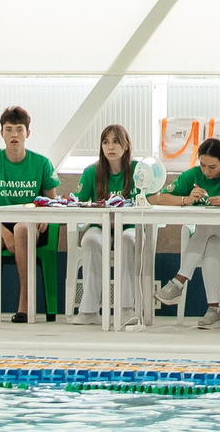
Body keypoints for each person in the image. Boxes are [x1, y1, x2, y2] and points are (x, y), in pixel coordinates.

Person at [149, 136, 220, 330]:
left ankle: (178, 282)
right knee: (211, 243)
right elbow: (156, 198)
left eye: (212, 167)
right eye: (203, 165)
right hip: (213, 240)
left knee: (209, 224)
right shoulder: (193, 175)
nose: (206, 171)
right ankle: (213, 311)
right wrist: (186, 199)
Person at [0, 105, 60, 323]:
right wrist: (2, 233)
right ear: (2, 133)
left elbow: (52, 202)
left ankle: (25, 304)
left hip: (30, 226)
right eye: (9, 129)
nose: (14, 135)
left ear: (28, 133)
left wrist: (45, 217)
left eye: (19, 129)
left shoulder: (41, 163)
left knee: (20, 229)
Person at [67, 124, 148, 325]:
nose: (110, 146)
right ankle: (89, 310)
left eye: (115, 141)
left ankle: (126, 309)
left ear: (126, 145)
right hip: (99, 226)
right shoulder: (91, 172)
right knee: (90, 241)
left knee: (127, 240)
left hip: (130, 227)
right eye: (105, 142)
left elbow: (149, 203)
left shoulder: (140, 170)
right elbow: (79, 204)